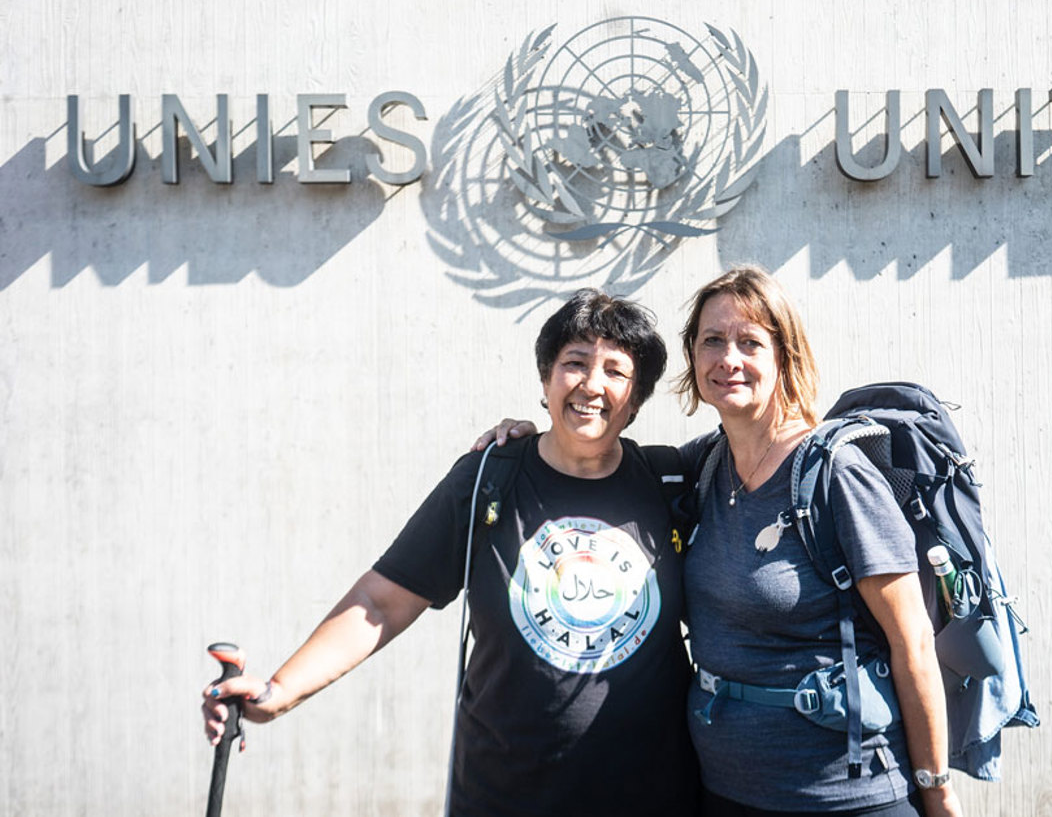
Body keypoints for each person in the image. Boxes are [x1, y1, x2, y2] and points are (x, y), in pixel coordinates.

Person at [202, 289, 700, 817]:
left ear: (638, 398)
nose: (591, 385)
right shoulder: (489, 477)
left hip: (651, 794)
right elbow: (382, 601)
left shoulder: (671, 480)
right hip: (505, 794)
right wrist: (279, 691)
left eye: (616, 372)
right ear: (546, 378)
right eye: (574, 363)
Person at [675, 267, 960, 817]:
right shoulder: (704, 467)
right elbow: (601, 464)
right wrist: (526, 438)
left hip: (846, 796)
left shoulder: (835, 475)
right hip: (725, 791)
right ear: (692, 354)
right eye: (712, 340)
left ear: (784, 357)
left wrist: (936, 789)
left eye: (750, 342)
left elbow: (913, 642)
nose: (728, 359)